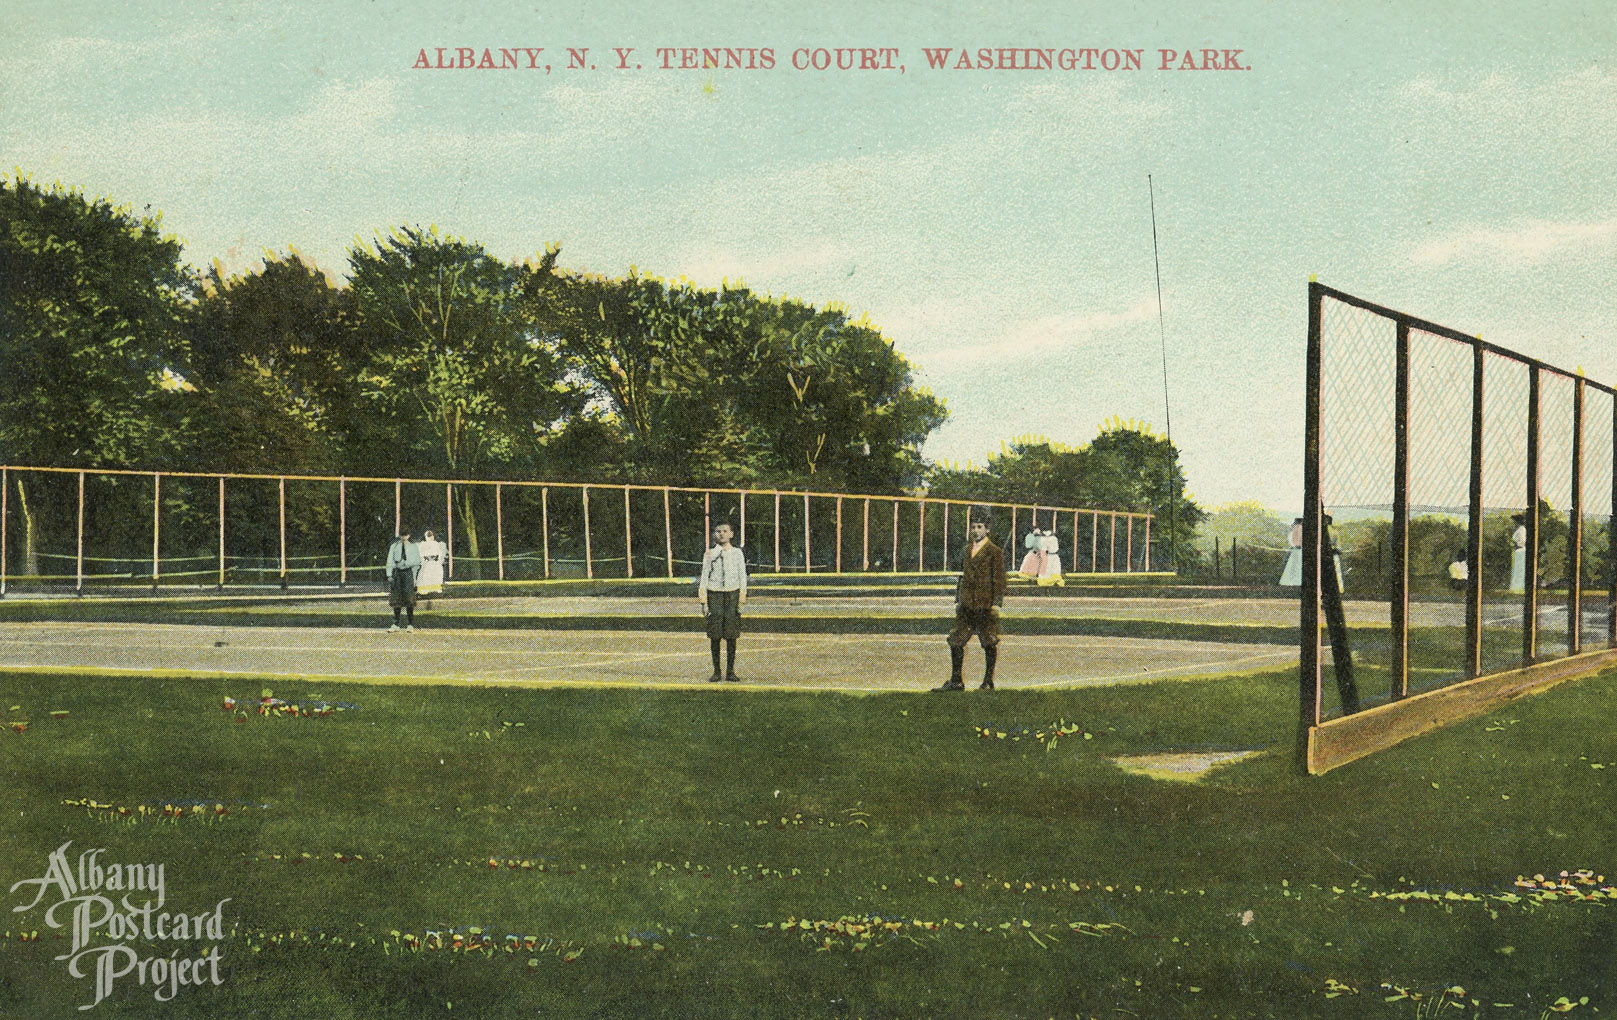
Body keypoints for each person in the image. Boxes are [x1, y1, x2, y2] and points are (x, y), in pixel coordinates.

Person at [934, 510, 1007, 691]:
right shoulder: (967, 550)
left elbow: (999, 579)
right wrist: (959, 599)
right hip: (967, 604)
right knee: (956, 640)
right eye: (973, 527)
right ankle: (956, 681)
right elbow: (963, 576)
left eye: (980, 527)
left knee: (989, 641)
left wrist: (996, 603)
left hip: (984, 605)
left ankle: (988, 681)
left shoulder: (994, 552)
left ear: (987, 530)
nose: (975, 530)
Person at [697, 521, 748, 682]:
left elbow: (742, 576)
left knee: (731, 634)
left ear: (731, 534)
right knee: (715, 634)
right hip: (715, 595)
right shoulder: (710, 553)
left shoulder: (737, 553)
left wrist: (742, 598)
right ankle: (717, 671)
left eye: (725, 531)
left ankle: (730, 671)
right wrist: (703, 600)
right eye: (718, 531)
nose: (721, 534)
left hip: (732, 595)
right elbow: (704, 576)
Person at [385, 530, 421, 632]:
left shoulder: (413, 547)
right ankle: (396, 624)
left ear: (409, 535)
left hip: (408, 573)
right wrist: (389, 574)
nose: (403, 538)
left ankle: (410, 624)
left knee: (409, 598)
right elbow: (390, 560)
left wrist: (414, 577)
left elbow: (417, 562)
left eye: (405, 535)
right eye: (402, 535)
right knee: (396, 598)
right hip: (398, 573)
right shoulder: (394, 546)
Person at [416, 529, 448, 596]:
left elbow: (441, 554)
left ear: (433, 536)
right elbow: (421, 555)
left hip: (435, 563)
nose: (429, 537)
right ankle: (425, 590)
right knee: (425, 576)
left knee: (436, 575)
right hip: (426, 563)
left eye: (430, 536)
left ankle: (435, 589)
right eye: (428, 536)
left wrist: (437, 559)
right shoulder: (422, 545)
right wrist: (426, 559)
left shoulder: (438, 544)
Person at [1279, 518, 1304, 586]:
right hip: (1297, 550)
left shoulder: (1297, 527)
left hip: (1297, 550)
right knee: (1294, 565)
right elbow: (1296, 539)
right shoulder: (1298, 527)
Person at [1510, 512, 1528, 594]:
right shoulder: (1518, 529)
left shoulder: (1522, 529)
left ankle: (1519, 587)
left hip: (1521, 550)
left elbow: (1521, 541)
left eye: (1515, 521)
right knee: (1517, 568)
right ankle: (1515, 587)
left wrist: (1516, 545)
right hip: (1518, 551)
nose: (1514, 523)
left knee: (1520, 569)